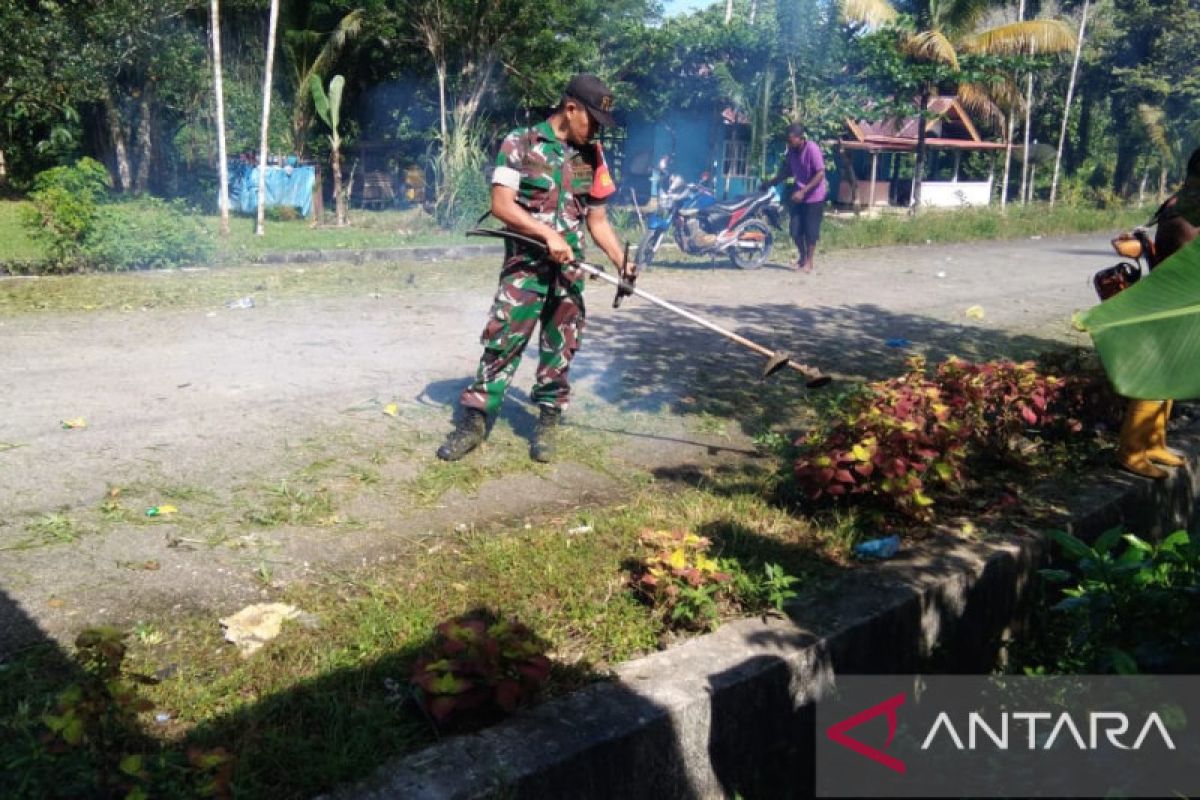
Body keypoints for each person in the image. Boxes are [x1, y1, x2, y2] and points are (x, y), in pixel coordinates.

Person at [436, 74, 637, 464]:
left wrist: (620, 260)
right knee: (503, 342)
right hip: (525, 270)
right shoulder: (519, 143)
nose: (596, 131)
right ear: (571, 108)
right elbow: (502, 205)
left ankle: (547, 421)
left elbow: (597, 219)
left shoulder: (592, 154)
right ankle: (474, 421)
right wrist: (547, 234)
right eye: (592, 121)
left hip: (569, 270)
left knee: (560, 348)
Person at [1115, 147, 1200, 478]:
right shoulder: (1188, 208)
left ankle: (1153, 443)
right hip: (1171, 304)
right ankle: (1131, 450)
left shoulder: (1185, 200)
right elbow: (1185, 254)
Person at [764, 123, 826, 272]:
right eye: (788, 140)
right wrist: (771, 182)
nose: (789, 143)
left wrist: (804, 191)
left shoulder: (812, 149)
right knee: (795, 230)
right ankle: (802, 257)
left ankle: (809, 262)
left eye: (791, 140)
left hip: (814, 196)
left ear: (801, 138)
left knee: (811, 231)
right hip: (798, 195)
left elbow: (820, 173)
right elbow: (788, 171)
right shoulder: (791, 152)